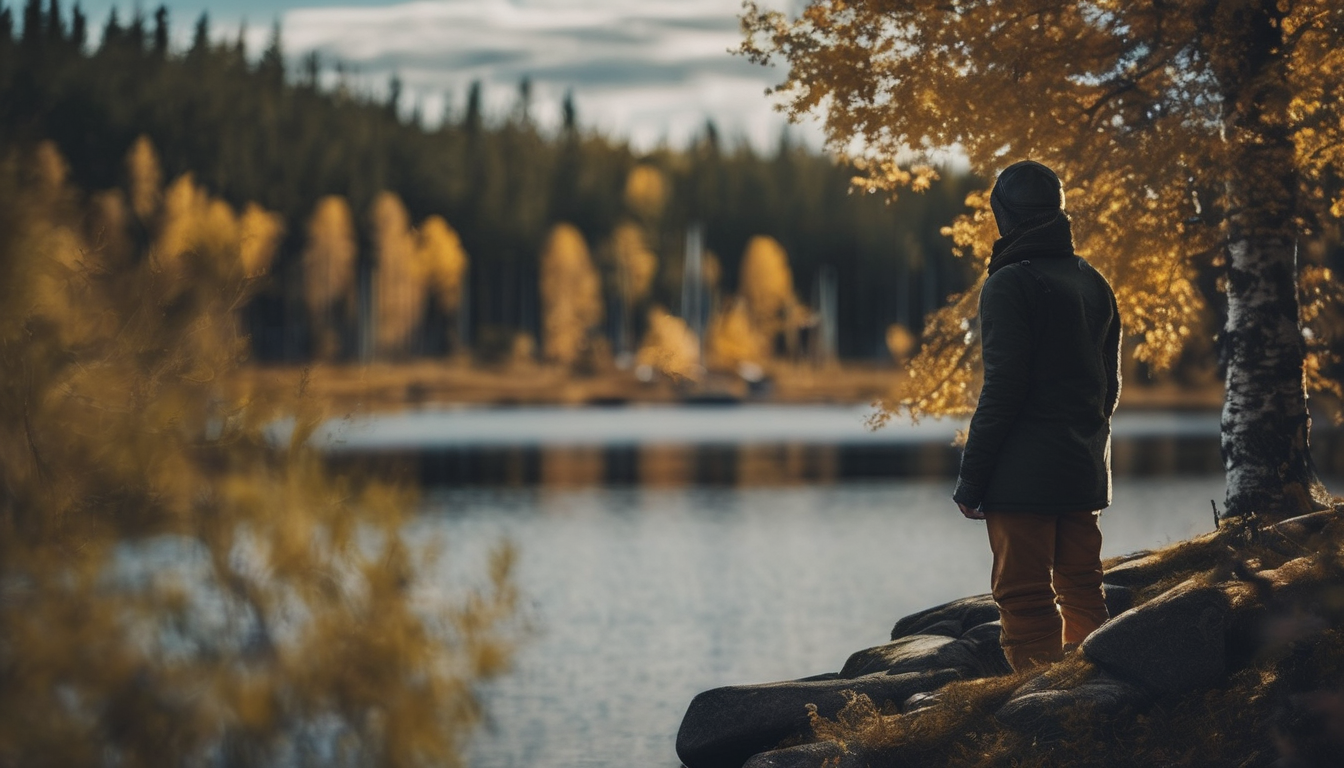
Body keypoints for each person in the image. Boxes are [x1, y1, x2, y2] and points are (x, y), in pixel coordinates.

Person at [952, 160, 1122, 672]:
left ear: (1004, 216)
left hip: (1022, 481)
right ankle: (1096, 694)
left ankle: (1041, 710)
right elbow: (1108, 387)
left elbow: (1003, 390)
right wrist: (1089, 452)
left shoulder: (1009, 284)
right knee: (1084, 592)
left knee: (1025, 600)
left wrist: (971, 480)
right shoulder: (1093, 280)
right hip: (1081, 472)